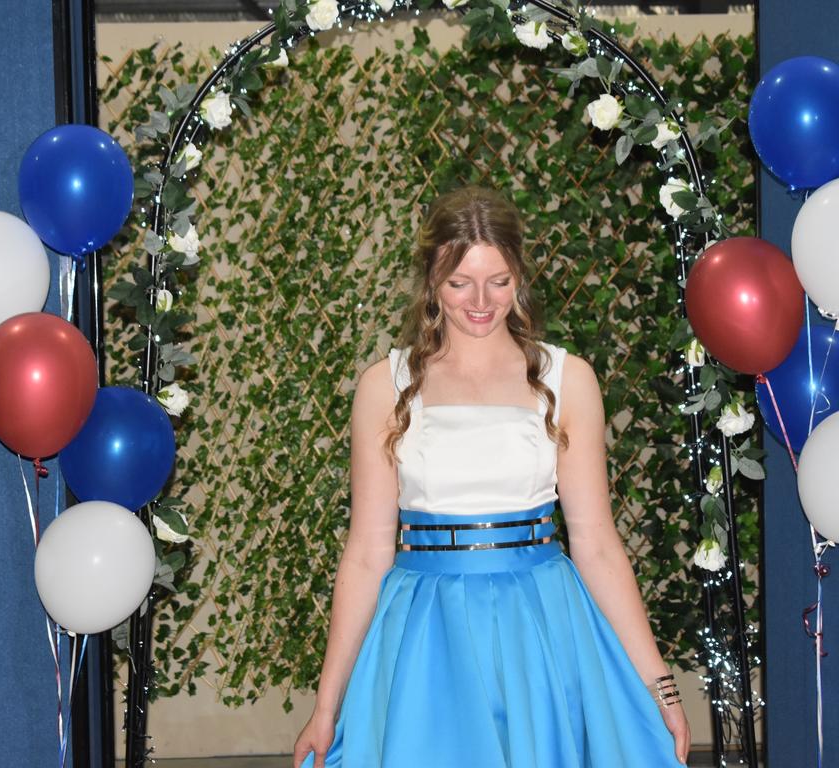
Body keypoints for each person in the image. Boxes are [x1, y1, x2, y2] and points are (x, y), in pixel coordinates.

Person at [292, 186, 690, 767]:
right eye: (459, 283)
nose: (480, 301)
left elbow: (599, 546)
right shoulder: (386, 385)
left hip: (541, 631)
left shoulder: (567, 379)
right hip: (425, 637)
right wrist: (326, 708)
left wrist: (660, 686)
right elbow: (366, 554)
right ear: (431, 280)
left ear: (520, 277)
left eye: (498, 281)